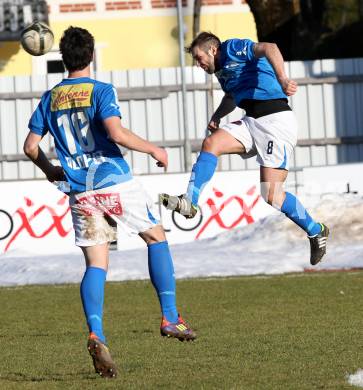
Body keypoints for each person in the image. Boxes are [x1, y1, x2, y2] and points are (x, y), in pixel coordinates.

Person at [23, 26, 196, 379]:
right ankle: (170, 318)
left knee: (96, 264)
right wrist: (153, 149)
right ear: (91, 55)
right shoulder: (101, 90)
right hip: (112, 180)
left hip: (80, 190)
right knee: (155, 237)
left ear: (63, 57)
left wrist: (49, 169)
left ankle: (96, 334)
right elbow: (115, 133)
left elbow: (29, 147)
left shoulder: (49, 98)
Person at [161, 32, 329, 266]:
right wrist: (217, 116)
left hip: (275, 121)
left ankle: (315, 230)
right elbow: (232, 96)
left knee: (271, 195)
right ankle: (190, 201)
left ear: (212, 50)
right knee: (211, 143)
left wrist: (282, 79)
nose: (199, 64)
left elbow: (269, 47)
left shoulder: (231, 48)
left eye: (199, 58)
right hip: (252, 121)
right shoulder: (221, 70)